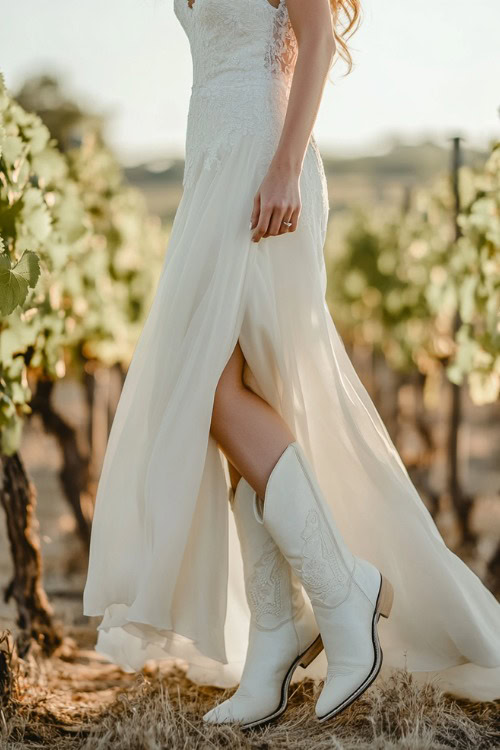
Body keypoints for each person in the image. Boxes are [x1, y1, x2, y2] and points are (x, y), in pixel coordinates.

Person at [83, 0, 500, 729]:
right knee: (236, 392)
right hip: (211, 165)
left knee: (212, 389)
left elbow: (314, 34)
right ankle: (277, 636)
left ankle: (341, 592)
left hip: (261, 161)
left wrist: (281, 167)